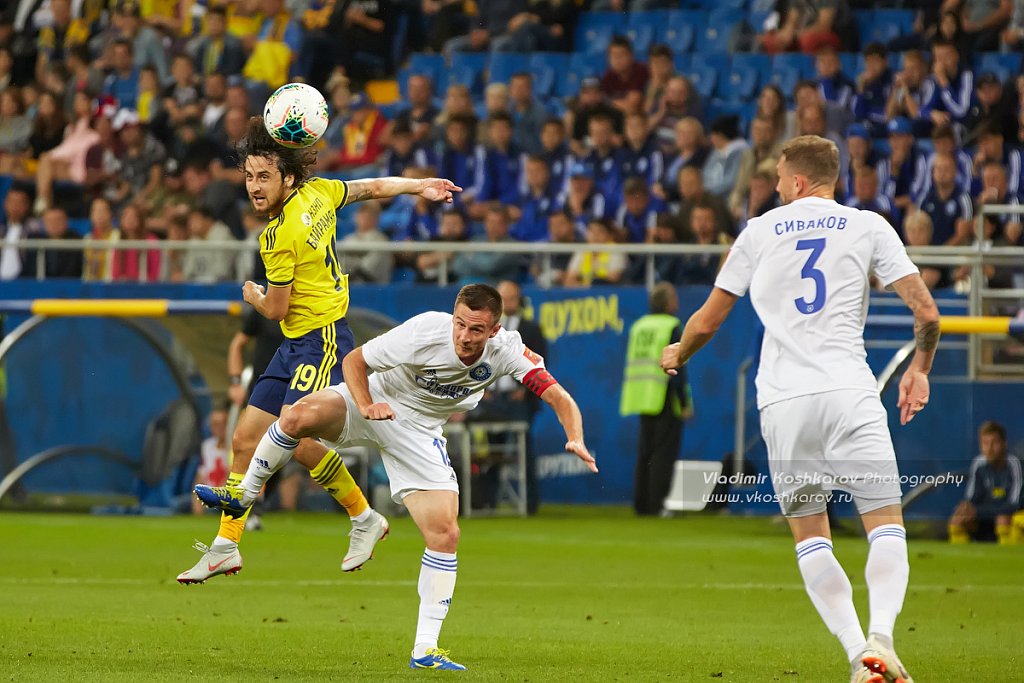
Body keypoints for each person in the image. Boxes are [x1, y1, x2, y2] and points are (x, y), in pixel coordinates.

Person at [197, 284, 598, 670]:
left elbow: (557, 396)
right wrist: (368, 404)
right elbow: (354, 361)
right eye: (460, 323)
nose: (465, 336)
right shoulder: (426, 329)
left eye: (477, 329)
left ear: (495, 329)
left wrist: (576, 438)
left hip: (420, 433)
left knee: (445, 534)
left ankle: (425, 647)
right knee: (296, 416)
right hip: (374, 397)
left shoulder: (509, 350)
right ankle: (245, 496)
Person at [660, 135, 940, 683]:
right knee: (885, 524)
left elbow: (709, 320)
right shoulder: (869, 226)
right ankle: (882, 637)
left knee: (811, 534)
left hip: (785, 403)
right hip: (849, 391)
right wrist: (919, 370)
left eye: (779, 180)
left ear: (795, 181)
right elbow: (927, 313)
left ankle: (860, 655)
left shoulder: (759, 230)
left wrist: (678, 351)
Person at [176, 115, 463, 584]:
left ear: (287, 177)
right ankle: (225, 548)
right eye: (249, 176)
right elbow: (370, 187)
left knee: (299, 437)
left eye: (264, 176)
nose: (254, 186)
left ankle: (363, 517)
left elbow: (276, 307)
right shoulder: (321, 192)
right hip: (294, 345)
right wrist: (419, 186)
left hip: (322, 340)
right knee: (246, 439)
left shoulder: (275, 237)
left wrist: (252, 296)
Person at [620, 283, 691, 516]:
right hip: (663, 394)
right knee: (663, 453)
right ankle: (658, 504)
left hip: (640, 395)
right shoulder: (671, 326)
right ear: (668, 302)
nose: (677, 301)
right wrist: (684, 402)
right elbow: (677, 365)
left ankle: (641, 504)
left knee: (645, 453)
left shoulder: (639, 326)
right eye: (674, 297)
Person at [949, 421, 1022, 544]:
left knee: (1003, 519)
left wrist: (979, 511)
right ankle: (964, 560)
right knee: (958, 519)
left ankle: (1008, 557)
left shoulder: (1014, 464)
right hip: (986, 515)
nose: (990, 448)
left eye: (995, 443)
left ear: (1004, 444)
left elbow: (1015, 504)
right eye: (985, 443)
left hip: (1006, 516)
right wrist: (967, 509)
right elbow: (972, 500)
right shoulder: (978, 464)